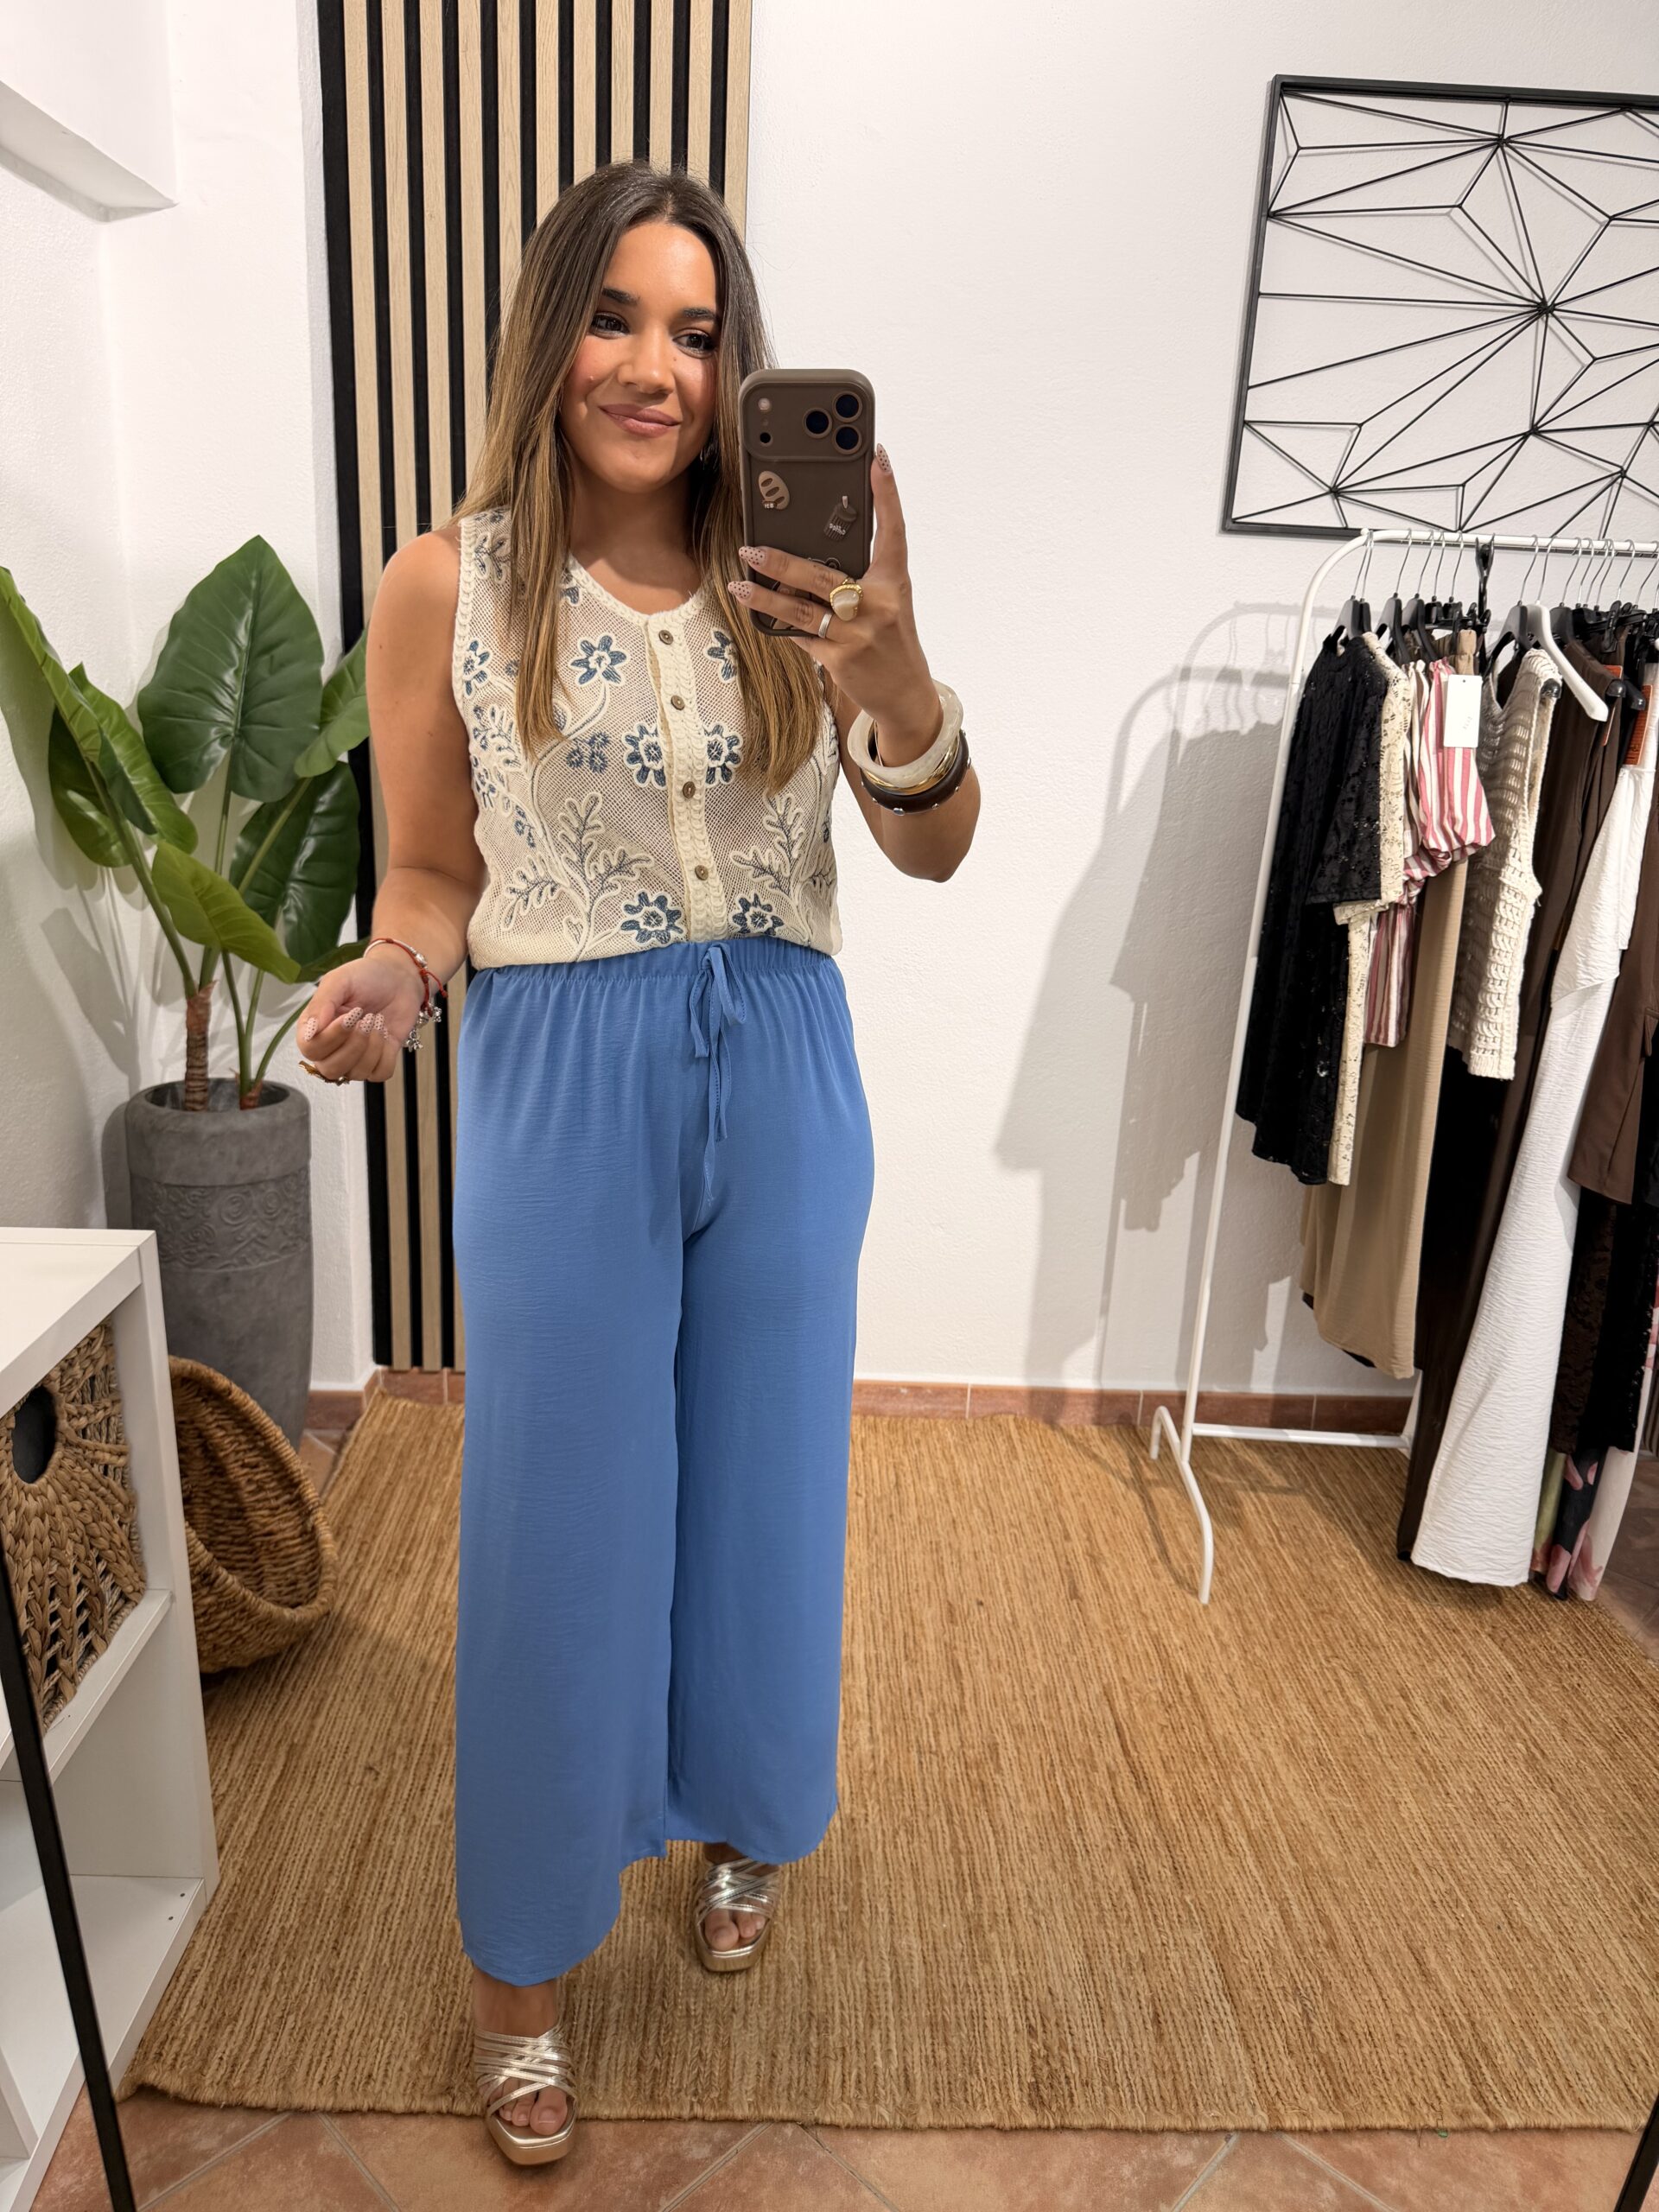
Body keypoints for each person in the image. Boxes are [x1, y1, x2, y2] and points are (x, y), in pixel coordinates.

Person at [294, 158, 979, 2168]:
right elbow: (433, 871)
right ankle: (520, 1964)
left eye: (695, 330)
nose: (653, 368)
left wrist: (890, 667)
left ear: (737, 361)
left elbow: (937, 843)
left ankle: (747, 1814)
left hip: (784, 1058)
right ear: (551, 332)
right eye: (614, 316)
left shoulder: (805, 569)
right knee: (554, 1524)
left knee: (767, 1486)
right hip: (560, 1076)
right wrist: (397, 974)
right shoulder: (450, 584)